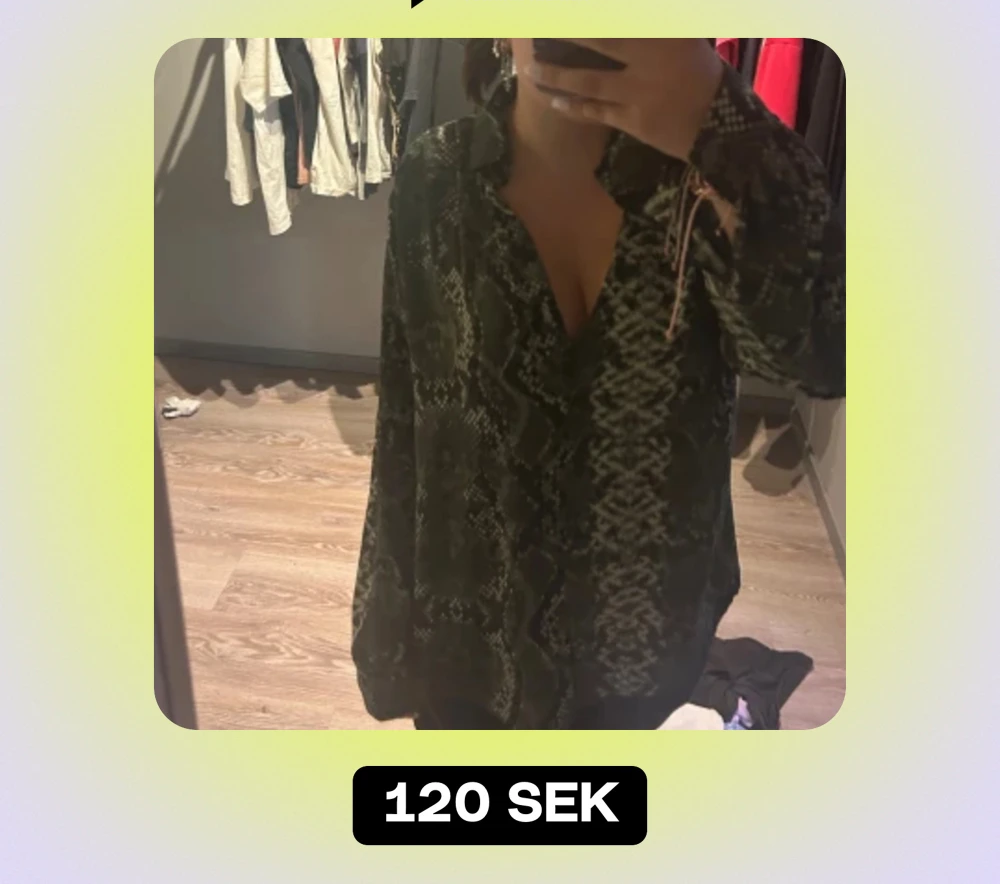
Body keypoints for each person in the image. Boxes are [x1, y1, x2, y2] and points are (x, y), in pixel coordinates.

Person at [351, 39, 845, 730]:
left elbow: (823, 355)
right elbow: (405, 425)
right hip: (474, 647)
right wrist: (386, 639)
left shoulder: (704, 187)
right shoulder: (437, 180)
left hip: (646, 640)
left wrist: (721, 120)